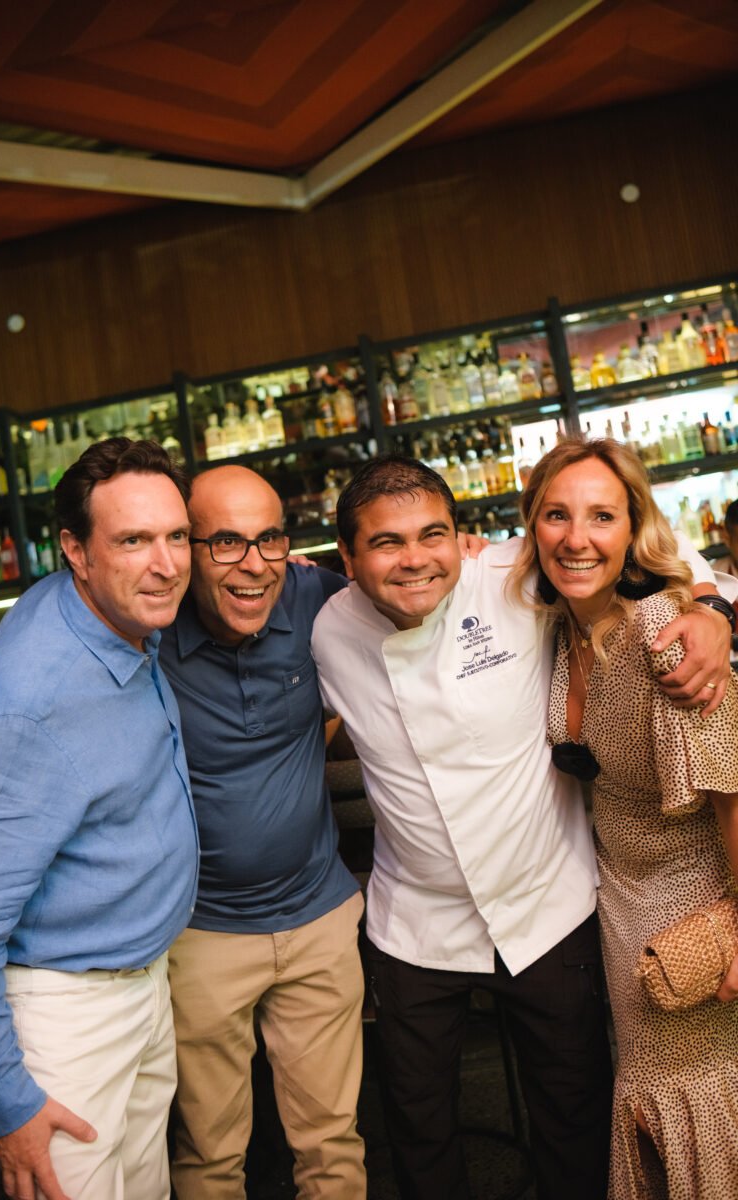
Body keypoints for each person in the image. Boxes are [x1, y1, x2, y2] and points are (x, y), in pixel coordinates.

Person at [309, 454, 733, 1200]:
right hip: (417, 926)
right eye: (385, 543)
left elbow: (638, 547)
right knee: (418, 1127)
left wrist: (713, 612)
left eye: (432, 535)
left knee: (574, 1116)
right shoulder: (323, 631)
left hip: (548, 907)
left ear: (461, 535)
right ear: (346, 558)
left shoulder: (511, 571)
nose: (415, 559)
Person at [0, 438, 198, 1200]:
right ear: (76, 552)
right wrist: (6, 1099)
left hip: (141, 980)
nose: (167, 564)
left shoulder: (113, 613)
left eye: (177, 536)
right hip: (66, 1016)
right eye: (133, 541)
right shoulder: (29, 705)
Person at [509, 436, 738, 1199]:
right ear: (531, 526)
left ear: (632, 528)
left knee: (701, 1109)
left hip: (696, 908)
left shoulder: (664, 632)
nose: (577, 538)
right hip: (622, 912)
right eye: (556, 515)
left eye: (601, 517)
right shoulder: (562, 628)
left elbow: (733, 785)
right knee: (653, 1116)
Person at [158, 464, 366, 1200]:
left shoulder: (316, 598)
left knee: (332, 1145)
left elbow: (421, 580)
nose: (254, 564)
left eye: (269, 538)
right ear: (186, 550)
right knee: (209, 1156)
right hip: (202, 933)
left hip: (318, 918)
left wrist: (695, 603)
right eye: (227, 542)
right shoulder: (148, 628)